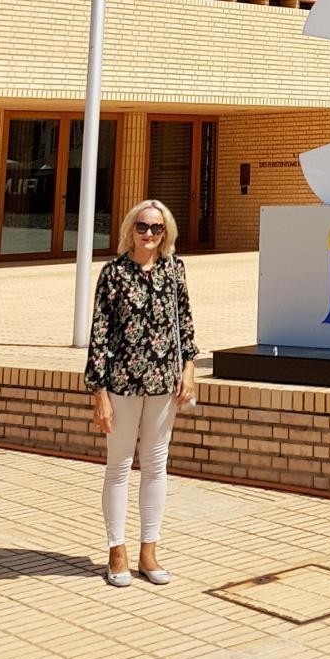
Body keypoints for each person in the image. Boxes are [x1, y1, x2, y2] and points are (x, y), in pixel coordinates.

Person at [84, 198, 198, 586]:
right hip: (122, 383)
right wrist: (98, 390)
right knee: (118, 467)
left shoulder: (174, 271)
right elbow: (100, 333)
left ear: (166, 233)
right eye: (142, 227)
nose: (149, 234)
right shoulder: (114, 274)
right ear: (130, 229)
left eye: (157, 228)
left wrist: (189, 368)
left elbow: (184, 324)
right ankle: (117, 550)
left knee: (156, 466)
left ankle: (150, 550)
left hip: (164, 383)